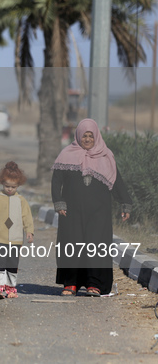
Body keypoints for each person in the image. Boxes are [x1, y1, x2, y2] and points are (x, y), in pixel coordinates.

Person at [52, 118, 132, 297]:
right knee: (71, 245)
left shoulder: (106, 156)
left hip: (99, 213)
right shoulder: (67, 155)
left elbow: (116, 182)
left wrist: (125, 204)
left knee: (96, 246)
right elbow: (56, 181)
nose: (87, 139)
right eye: (84, 136)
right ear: (78, 136)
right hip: (71, 212)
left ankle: (93, 284)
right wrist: (59, 202)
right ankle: (70, 283)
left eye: (90, 136)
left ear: (96, 136)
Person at [0, 161, 34, 299]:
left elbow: (27, 217)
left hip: (16, 239)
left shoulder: (21, 200)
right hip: (0, 238)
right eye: (7, 186)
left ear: (18, 185)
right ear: (2, 183)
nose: (10, 189)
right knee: (1, 262)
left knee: (12, 264)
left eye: (13, 187)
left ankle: (11, 287)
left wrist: (29, 231)